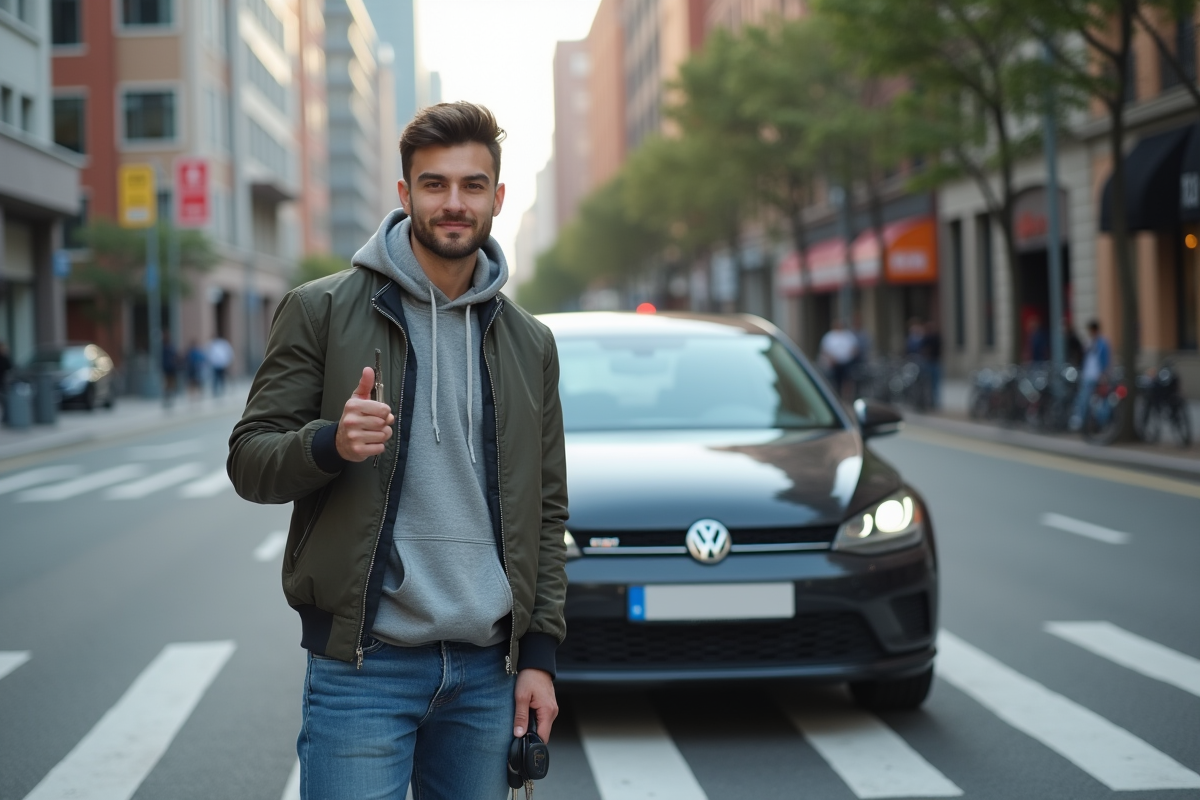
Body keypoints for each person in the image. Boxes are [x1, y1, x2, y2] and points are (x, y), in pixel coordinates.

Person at [228, 102, 567, 800]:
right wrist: (330, 442)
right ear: (404, 193)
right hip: (364, 671)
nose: (453, 202)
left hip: (487, 671)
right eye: (434, 184)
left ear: (498, 198)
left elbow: (549, 507)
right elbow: (249, 459)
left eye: (473, 185)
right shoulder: (322, 309)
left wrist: (539, 655)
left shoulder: (530, 343)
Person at [1070, 319, 1111, 431]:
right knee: (1083, 399)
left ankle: (1100, 422)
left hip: (1097, 376)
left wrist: (1104, 374)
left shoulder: (1102, 343)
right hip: (1087, 376)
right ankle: (1083, 422)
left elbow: (1105, 360)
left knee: (1098, 401)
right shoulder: (1089, 343)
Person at [819, 318, 859, 400]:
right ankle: (837, 397)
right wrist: (831, 359)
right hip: (834, 363)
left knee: (847, 380)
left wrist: (850, 357)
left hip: (847, 363)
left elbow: (855, 348)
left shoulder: (848, 335)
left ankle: (847, 398)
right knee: (836, 381)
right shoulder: (829, 336)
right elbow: (824, 350)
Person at [162, 333, 179, 407]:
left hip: (167, 368)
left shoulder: (164, 348)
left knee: (167, 384)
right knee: (171, 384)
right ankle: (170, 398)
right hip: (171, 368)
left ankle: (168, 398)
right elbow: (175, 357)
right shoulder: (171, 348)